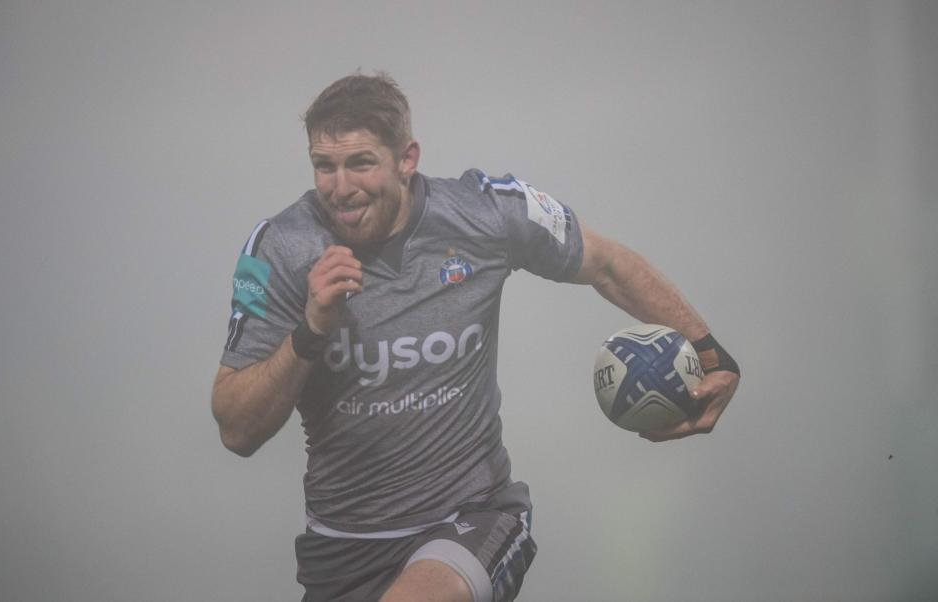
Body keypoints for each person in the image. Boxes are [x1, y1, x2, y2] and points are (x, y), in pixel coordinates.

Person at [211, 73, 740, 602]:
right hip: (341, 545)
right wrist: (311, 330)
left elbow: (608, 266)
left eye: (361, 163)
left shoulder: (486, 211)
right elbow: (237, 429)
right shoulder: (278, 248)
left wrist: (714, 356)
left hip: (470, 517)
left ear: (407, 158)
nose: (339, 188)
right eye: (324, 166)